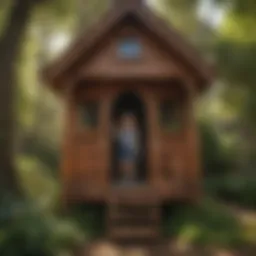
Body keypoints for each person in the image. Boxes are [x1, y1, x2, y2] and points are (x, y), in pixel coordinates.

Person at [116, 113, 140, 184]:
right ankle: (124, 176)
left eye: (129, 121)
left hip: (131, 148)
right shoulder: (121, 131)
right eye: (125, 121)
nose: (127, 123)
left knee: (131, 163)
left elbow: (136, 141)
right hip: (123, 148)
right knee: (123, 163)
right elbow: (118, 137)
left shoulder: (135, 132)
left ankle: (131, 177)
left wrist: (136, 149)